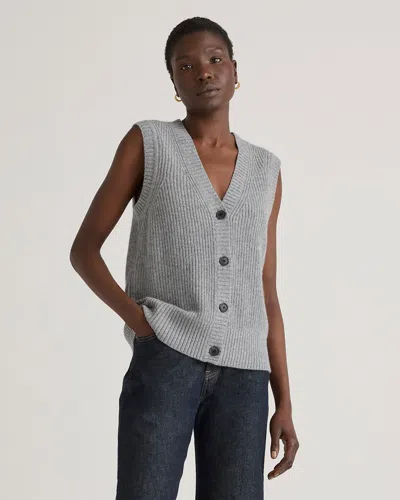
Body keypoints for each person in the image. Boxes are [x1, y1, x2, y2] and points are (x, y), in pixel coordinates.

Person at [70, 16, 299, 500]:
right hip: (165, 362)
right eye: (186, 66)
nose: (204, 72)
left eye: (215, 59)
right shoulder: (149, 143)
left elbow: (266, 292)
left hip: (245, 379)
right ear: (174, 83)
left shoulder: (266, 170)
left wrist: (284, 401)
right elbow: (84, 250)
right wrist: (143, 323)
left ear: (235, 71)